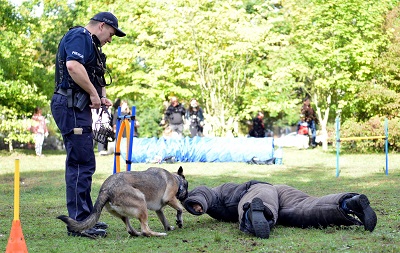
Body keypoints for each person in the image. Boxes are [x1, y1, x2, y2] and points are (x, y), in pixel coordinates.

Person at [51, 11, 126, 238]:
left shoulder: (91, 46)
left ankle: (84, 219)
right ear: (102, 26)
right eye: (111, 34)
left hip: (77, 106)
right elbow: (73, 66)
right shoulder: (80, 36)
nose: (110, 40)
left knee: (85, 164)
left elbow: (90, 75)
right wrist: (94, 94)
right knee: (79, 164)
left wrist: (100, 97)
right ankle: (79, 223)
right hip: (70, 106)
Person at [183, 181, 377, 239]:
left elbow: (206, 191)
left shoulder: (225, 189)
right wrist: (198, 205)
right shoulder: (216, 207)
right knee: (305, 210)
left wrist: (196, 200)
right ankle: (349, 204)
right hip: (282, 199)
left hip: (261, 188)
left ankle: (253, 215)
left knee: (257, 200)